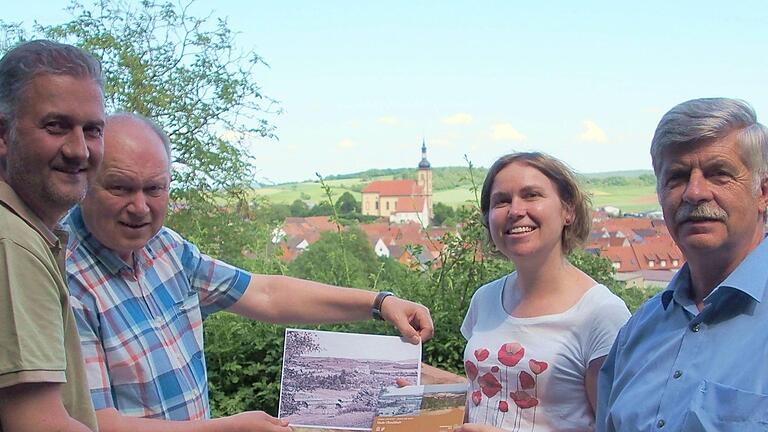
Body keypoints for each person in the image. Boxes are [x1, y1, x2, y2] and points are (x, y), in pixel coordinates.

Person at [64, 112, 434, 432]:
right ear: (85, 180)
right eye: (120, 187)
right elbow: (94, 423)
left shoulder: (166, 249)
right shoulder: (65, 276)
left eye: (154, 188)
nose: (140, 207)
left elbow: (266, 294)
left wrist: (380, 302)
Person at [596, 98, 768, 431]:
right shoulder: (638, 333)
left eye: (719, 174)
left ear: (763, 192)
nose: (694, 192)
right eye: (676, 177)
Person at [455, 152, 630, 432]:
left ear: (568, 211)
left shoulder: (601, 313)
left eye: (531, 195)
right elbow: (478, 398)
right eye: (501, 201)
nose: (515, 210)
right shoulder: (484, 299)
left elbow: (616, 428)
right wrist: (423, 402)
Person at [0, 40, 105, 431]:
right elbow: (38, 424)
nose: (79, 150)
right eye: (56, 126)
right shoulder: (12, 242)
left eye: (92, 130)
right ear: (3, 132)